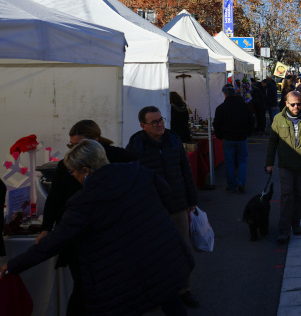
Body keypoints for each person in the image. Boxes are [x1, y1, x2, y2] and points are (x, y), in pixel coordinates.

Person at [1, 140, 193, 316]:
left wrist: (14, 265)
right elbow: (166, 197)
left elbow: (56, 241)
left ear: (85, 170)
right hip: (162, 253)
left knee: (131, 303)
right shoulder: (138, 172)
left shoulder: (84, 202)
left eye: (72, 172)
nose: (73, 176)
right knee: (167, 293)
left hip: (123, 271)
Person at [37, 120, 135, 316]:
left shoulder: (120, 158)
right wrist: (46, 227)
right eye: (71, 145)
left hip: (112, 234)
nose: (74, 150)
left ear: (96, 142)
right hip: (78, 236)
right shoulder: (68, 164)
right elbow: (55, 198)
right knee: (83, 287)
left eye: (79, 145)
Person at [126, 106, 200, 308]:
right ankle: (155, 291)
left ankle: (184, 290)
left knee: (182, 250)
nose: (159, 125)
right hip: (151, 210)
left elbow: (185, 170)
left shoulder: (173, 139)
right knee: (153, 253)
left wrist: (192, 199)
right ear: (143, 126)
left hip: (177, 205)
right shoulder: (135, 146)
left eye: (161, 120)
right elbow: (130, 178)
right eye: (154, 122)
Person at [266, 91, 301, 244]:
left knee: (299, 196)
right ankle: (284, 230)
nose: (296, 106)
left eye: (299, 103)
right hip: (285, 165)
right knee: (286, 195)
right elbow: (272, 143)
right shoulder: (278, 119)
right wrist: (269, 163)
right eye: (293, 104)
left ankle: (295, 223)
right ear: (286, 104)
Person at [213, 86, 255, 193]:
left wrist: (220, 135)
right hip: (241, 137)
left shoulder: (221, 108)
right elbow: (251, 121)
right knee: (242, 161)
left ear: (225, 94)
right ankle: (241, 182)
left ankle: (231, 185)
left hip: (228, 138)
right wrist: (248, 133)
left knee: (229, 162)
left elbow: (217, 124)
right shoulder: (244, 106)